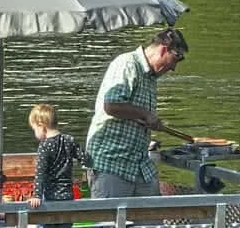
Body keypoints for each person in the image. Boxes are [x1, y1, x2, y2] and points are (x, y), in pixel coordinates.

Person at [85, 27, 189, 198]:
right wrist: (146, 115)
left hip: (140, 165)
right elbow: (111, 105)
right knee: (112, 223)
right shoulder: (127, 63)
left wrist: (147, 126)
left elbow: (133, 116)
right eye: (176, 59)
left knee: (152, 223)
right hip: (112, 163)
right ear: (164, 49)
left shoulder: (151, 77)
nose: (173, 68)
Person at [27, 103, 86, 210]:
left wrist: (36, 195)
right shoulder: (69, 140)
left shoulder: (44, 146)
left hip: (50, 197)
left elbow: (40, 173)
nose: (35, 133)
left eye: (34, 129)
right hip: (68, 195)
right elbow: (84, 158)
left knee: (46, 225)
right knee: (66, 225)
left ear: (42, 126)